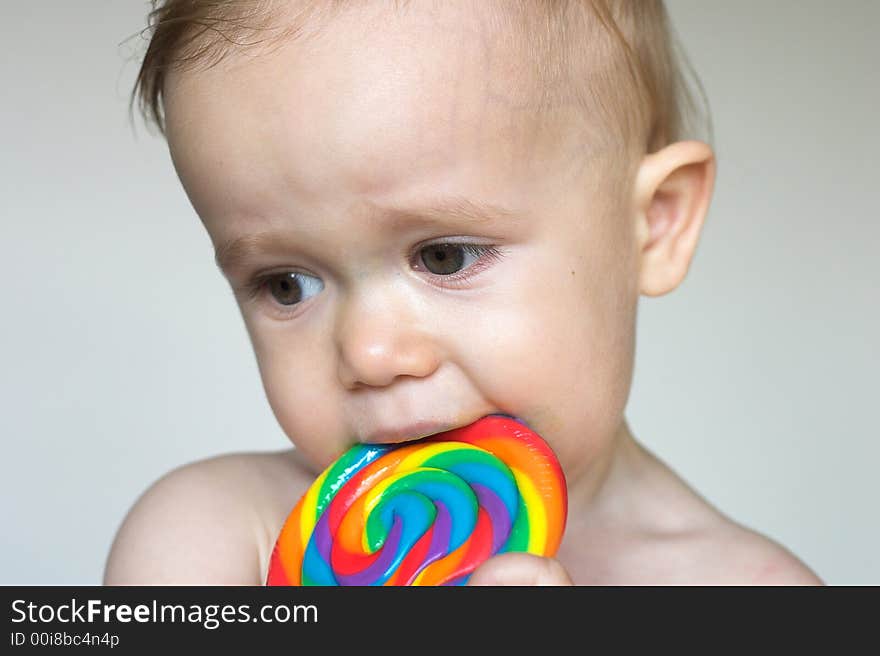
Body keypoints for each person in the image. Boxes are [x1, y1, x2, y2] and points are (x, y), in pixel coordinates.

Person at [105, 0, 822, 585]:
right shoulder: (212, 544)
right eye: (286, 283)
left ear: (653, 225)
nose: (371, 352)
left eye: (443, 256)